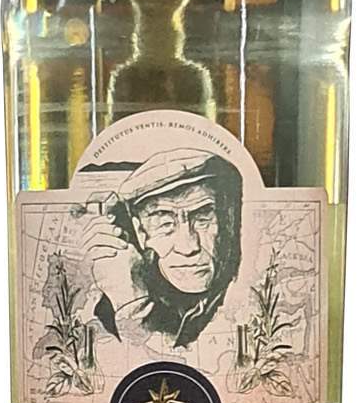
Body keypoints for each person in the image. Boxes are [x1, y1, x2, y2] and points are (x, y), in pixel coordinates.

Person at [78, 149, 242, 349]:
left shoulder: (243, 293)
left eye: (202, 219)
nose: (188, 247)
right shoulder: (112, 301)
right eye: (165, 224)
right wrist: (129, 298)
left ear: (227, 221)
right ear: (140, 232)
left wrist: (134, 308)